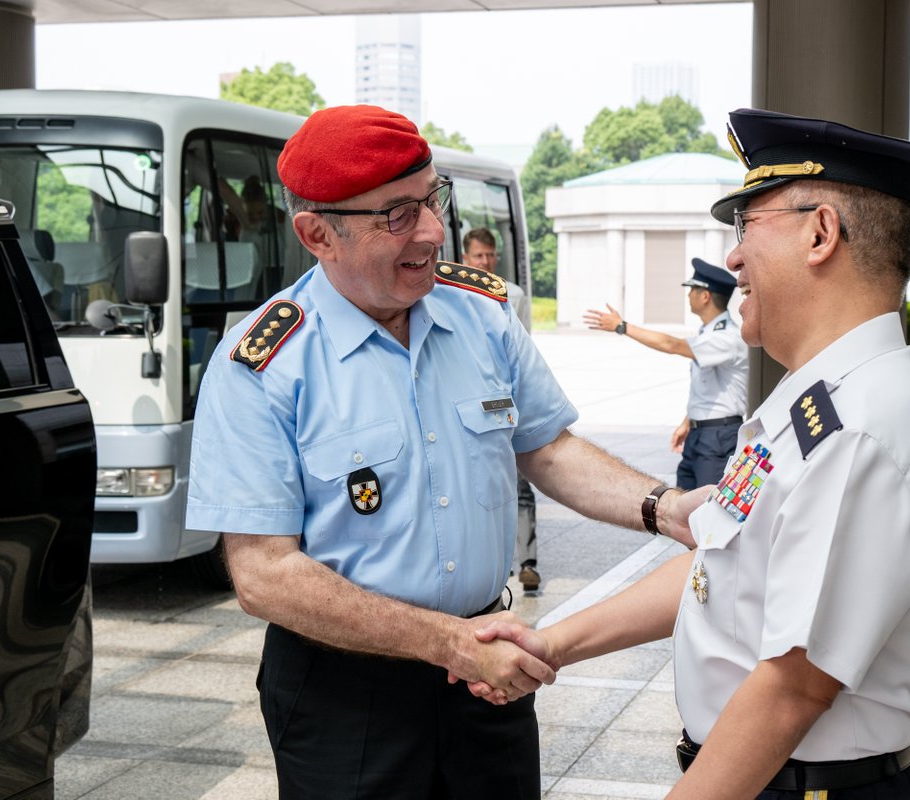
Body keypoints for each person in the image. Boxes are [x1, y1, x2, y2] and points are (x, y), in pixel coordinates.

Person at [184, 105, 707, 800]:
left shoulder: (481, 316)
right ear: (318, 234)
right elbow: (263, 573)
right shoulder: (264, 363)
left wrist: (665, 509)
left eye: (433, 199)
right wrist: (443, 641)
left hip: (488, 674)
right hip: (345, 691)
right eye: (396, 215)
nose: (434, 232)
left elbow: (546, 448)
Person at [475, 108, 910, 799]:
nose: (733, 258)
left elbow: (792, 691)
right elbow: (720, 563)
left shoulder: (858, 431)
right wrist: (555, 643)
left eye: (747, 225)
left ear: (820, 233)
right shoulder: (812, 404)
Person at [583, 258, 748, 489]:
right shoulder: (707, 333)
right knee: (685, 507)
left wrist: (622, 326)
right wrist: (688, 421)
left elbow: (671, 345)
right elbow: (711, 388)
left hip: (718, 437)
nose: (688, 295)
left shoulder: (726, 338)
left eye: (692, 289)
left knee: (708, 509)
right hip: (701, 434)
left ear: (705, 296)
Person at [463, 227, 540, 591]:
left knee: (522, 483)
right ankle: (496, 565)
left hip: (507, 399)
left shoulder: (514, 294)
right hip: (472, 405)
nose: (485, 262)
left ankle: (528, 561)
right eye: (478, 256)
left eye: (490, 255)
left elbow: (524, 349)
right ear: (466, 258)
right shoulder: (453, 294)